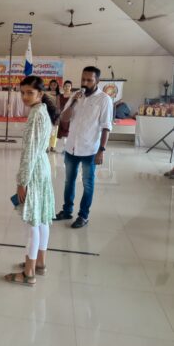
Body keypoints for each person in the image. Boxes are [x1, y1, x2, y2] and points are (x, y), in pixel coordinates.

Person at [4, 76, 58, 287]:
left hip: (34, 171)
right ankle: (39, 263)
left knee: (33, 224)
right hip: (42, 166)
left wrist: (22, 181)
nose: (25, 97)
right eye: (22, 93)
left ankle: (29, 273)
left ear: (40, 94)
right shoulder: (42, 110)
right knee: (42, 220)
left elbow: (29, 153)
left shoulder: (36, 115)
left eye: (30, 93)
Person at [54, 66, 113, 228]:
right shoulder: (76, 96)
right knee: (69, 181)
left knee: (88, 183)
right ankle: (67, 211)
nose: (85, 83)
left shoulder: (104, 100)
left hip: (90, 150)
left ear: (97, 81)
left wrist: (101, 151)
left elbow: (106, 127)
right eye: (83, 79)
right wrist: (73, 102)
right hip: (71, 147)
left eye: (89, 80)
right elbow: (64, 119)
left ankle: (83, 216)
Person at [46, 80, 60, 152]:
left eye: (55, 85)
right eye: (51, 85)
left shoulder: (59, 94)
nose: (53, 86)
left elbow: (59, 105)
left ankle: (52, 147)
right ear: (49, 85)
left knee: (55, 131)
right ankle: (46, 146)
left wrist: (58, 114)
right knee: (47, 130)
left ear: (57, 86)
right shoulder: (46, 93)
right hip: (47, 113)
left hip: (55, 114)